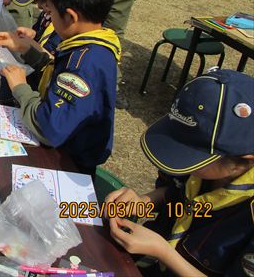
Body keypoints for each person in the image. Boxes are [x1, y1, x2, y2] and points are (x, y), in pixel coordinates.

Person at [105, 69, 254, 276]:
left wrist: (163, 251)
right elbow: (175, 192)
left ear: (244, 162)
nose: (180, 162)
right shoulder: (205, 171)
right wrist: (144, 200)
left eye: (191, 157)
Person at [0, 0, 121, 174]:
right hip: (67, 150)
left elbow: (48, 127)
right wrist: (29, 51)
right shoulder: (92, 45)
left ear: (71, 17)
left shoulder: (84, 63)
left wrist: (21, 89)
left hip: (68, 163)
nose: (49, 17)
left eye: (51, 13)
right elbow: (57, 70)